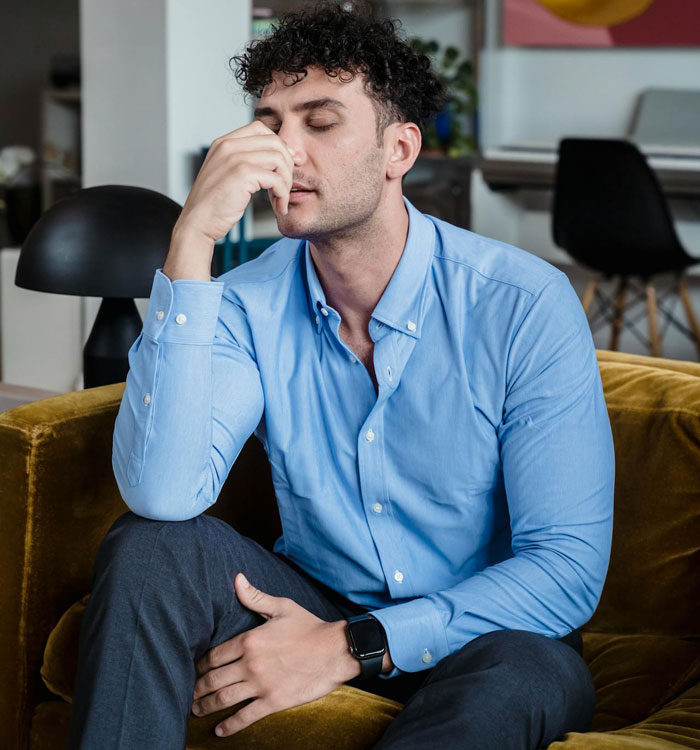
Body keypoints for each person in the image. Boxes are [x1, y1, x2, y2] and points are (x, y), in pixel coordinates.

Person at [67, 3, 615, 749]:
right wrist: (190, 238)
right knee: (149, 548)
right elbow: (164, 494)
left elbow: (567, 571)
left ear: (399, 150)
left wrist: (349, 645)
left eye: (319, 123)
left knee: (523, 676)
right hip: (312, 597)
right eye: (269, 124)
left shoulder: (522, 305)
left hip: (489, 633)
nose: (284, 152)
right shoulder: (243, 303)